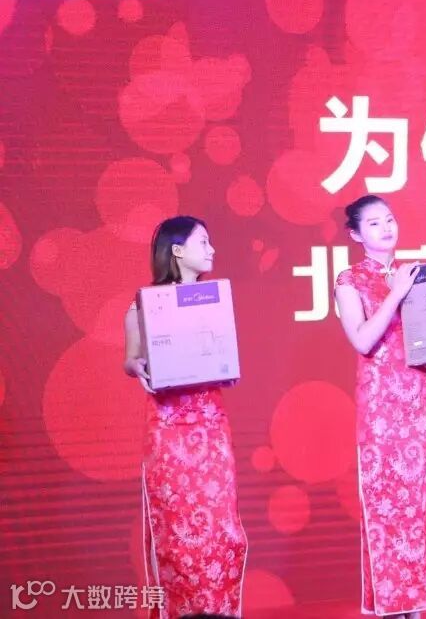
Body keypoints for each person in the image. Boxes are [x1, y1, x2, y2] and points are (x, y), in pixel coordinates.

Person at [334, 195, 426, 618]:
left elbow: (425, 345)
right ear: (356, 234)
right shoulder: (350, 280)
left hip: (419, 404)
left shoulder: (416, 275)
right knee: (387, 507)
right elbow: (363, 339)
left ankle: (415, 607)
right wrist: (396, 294)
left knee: (420, 508)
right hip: (381, 411)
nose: (386, 228)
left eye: (389, 219)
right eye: (374, 223)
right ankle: (391, 607)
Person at [123, 216, 247, 619]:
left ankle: (220, 612)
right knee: (176, 535)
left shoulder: (214, 301)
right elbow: (130, 358)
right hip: (169, 431)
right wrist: (137, 365)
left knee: (221, 532)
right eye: (203, 242)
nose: (212, 250)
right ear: (177, 250)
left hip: (211, 428)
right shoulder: (145, 305)